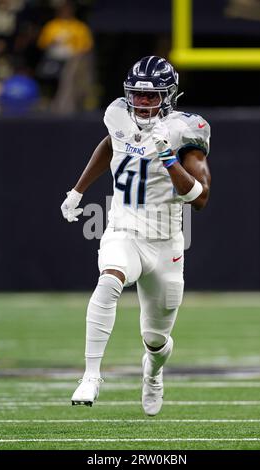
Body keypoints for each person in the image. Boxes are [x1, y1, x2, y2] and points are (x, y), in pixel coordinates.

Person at [61, 56, 211, 416]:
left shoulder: (184, 130)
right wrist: (78, 191)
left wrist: (168, 158)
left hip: (165, 243)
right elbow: (111, 144)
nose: (143, 103)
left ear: (169, 96)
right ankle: (91, 375)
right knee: (109, 280)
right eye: (138, 96)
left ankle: (153, 373)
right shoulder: (117, 115)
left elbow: (200, 198)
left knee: (156, 340)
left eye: (152, 97)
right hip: (123, 229)